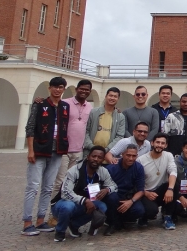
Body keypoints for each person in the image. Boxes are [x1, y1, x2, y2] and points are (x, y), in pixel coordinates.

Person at [22, 76, 70, 236]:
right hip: (40, 149)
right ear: (49, 88)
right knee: (33, 186)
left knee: (48, 187)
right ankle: (27, 222)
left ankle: (40, 220)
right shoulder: (40, 104)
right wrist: (30, 150)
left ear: (64, 89)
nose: (57, 89)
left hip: (57, 151)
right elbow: (30, 128)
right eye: (55, 86)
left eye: (61, 87)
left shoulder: (64, 106)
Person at [51, 146, 117, 242]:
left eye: (99, 158)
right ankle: (60, 231)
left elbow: (114, 186)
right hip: (62, 203)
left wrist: (107, 190)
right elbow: (65, 193)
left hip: (83, 205)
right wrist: (85, 200)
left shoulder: (103, 171)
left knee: (102, 207)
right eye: (93, 156)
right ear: (88, 157)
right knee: (68, 206)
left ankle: (74, 225)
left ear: (103, 160)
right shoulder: (74, 170)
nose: (96, 159)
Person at [49, 79, 93, 225]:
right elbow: (52, 107)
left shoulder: (90, 107)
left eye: (87, 90)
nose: (84, 91)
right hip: (63, 150)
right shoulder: (65, 103)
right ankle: (54, 213)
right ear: (76, 89)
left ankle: (69, 210)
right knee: (60, 181)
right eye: (82, 89)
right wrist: (39, 100)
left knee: (73, 182)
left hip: (79, 150)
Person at [137, 133, 178, 230]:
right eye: (157, 142)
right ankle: (143, 217)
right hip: (146, 192)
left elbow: (173, 171)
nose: (159, 145)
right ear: (152, 143)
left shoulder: (168, 155)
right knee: (151, 211)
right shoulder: (141, 160)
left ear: (166, 145)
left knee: (174, 183)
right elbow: (136, 182)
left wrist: (170, 189)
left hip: (160, 190)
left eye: (162, 143)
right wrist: (145, 193)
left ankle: (167, 217)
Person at [104, 144, 146, 236]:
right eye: (128, 155)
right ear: (122, 154)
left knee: (139, 210)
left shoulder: (139, 168)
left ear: (137, 156)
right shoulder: (111, 168)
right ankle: (112, 223)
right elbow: (104, 187)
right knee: (112, 198)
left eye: (134, 156)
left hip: (129, 197)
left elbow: (141, 190)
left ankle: (120, 220)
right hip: (114, 196)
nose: (131, 158)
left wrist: (131, 201)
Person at [84, 87, 125, 157]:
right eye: (110, 95)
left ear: (118, 99)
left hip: (108, 155)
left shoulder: (120, 116)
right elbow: (86, 131)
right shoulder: (94, 112)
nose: (112, 98)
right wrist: (91, 147)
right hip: (90, 153)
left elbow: (119, 136)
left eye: (115, 96)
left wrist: (107, 149)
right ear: (106, 96)